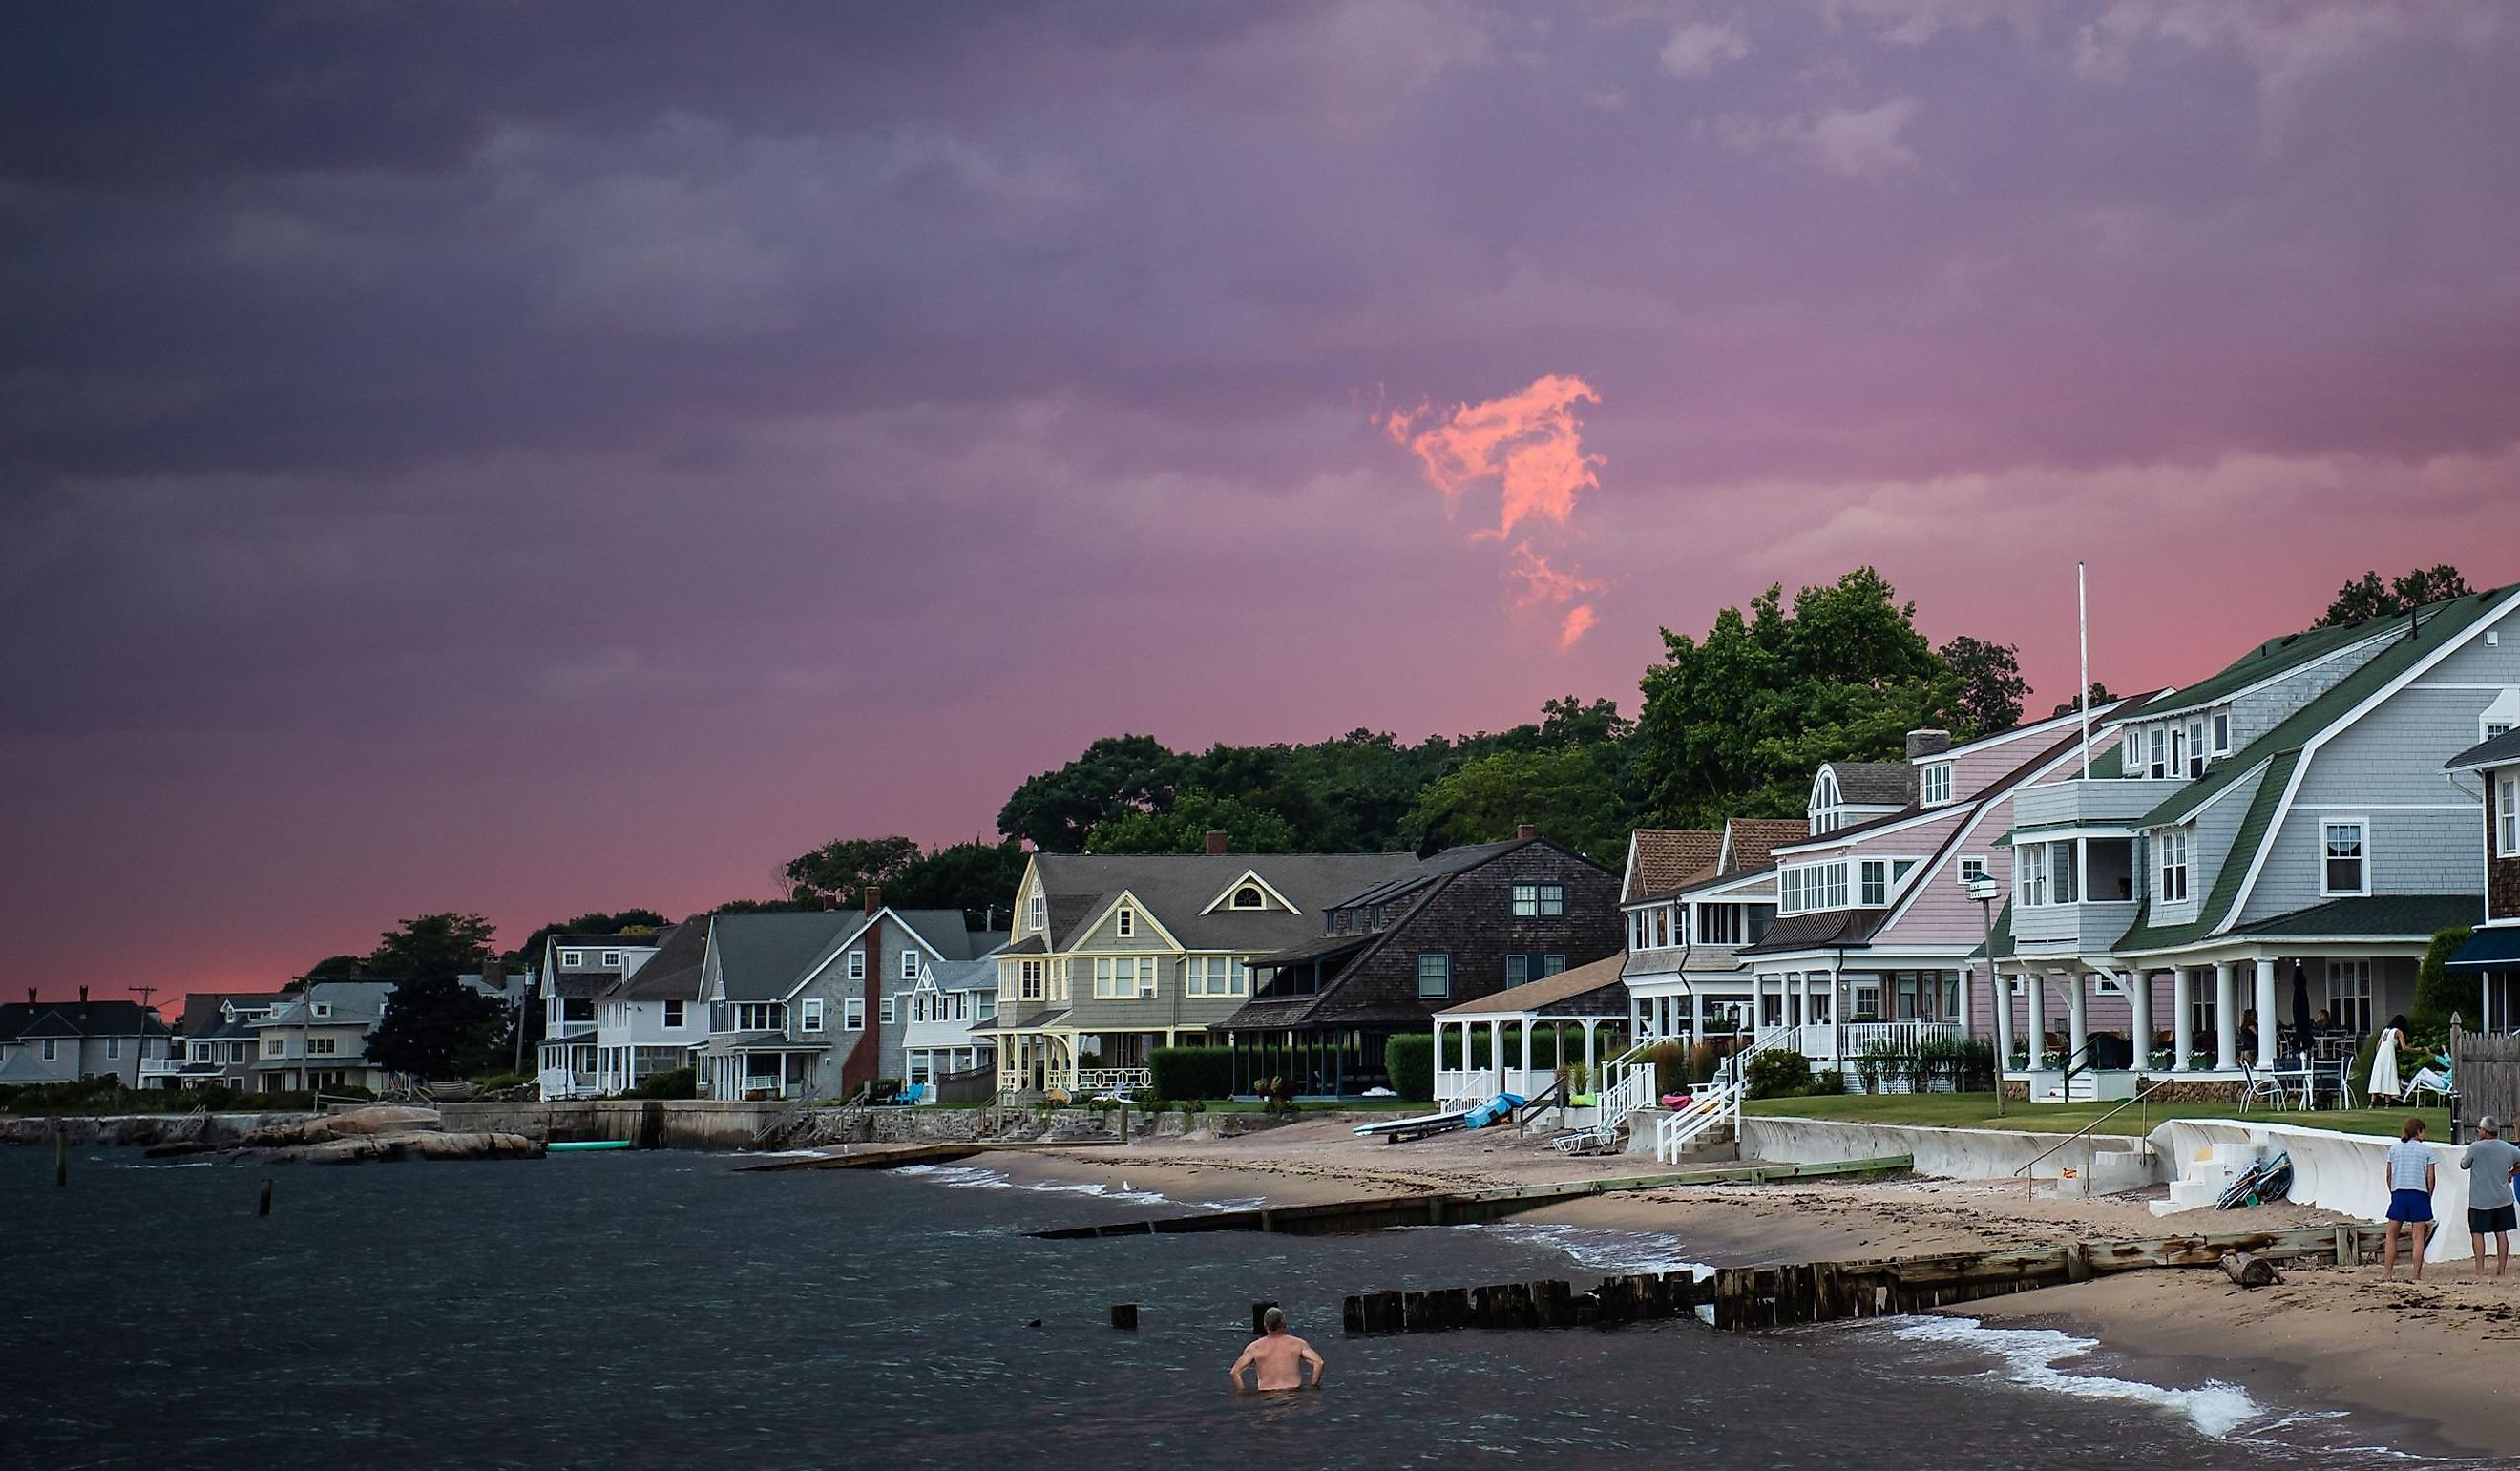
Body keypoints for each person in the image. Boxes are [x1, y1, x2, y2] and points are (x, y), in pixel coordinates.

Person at [2462, 1115, 2520, 1277]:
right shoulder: (2508, 1148)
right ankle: (2501, 1270)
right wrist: (2511, 1173)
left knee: (2477, 1233)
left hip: (2480, 1200)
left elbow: (2464, 1164)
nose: (2478, 1131)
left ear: (2485, 1132)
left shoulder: (2475, 1147)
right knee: (2501, 1233)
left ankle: (2480, 1270)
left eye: (2479, 1129)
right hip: (2502, 1198)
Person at [2384, 1116, 2437, 1281]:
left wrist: (2393, 1191)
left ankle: (2387, 1273)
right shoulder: (2427, 1151)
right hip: (2419, 1193)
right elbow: (2431, 1177)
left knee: (2391, 1235)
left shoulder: (2394, 1149)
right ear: (2418, 1131)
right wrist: (2429, 1195)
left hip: (2399, 1192)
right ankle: (2416, 1274)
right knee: (2418, 1237)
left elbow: (2389, 1174)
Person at [1230, 1307, 1325, 1393]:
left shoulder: (1254, 1347)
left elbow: (1235, 1372)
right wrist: (1313, 1387)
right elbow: (1319, 1363)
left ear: (1265, 1325)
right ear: (1284, 1323)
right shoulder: (1298, 1344)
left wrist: (1241, 1393)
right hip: (1293, 1393)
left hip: (1266, 1395)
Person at [2370, 1015, 2407, 1104]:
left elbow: (2378, 1045)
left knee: (2378, 1077)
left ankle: (2372, 1102)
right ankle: (2387, 1102)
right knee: (2389, 1076)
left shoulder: (2385, 1030)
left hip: (2379, 1056)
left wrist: (2378, 1055)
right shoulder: (2398, 1032)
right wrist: (2416, 1050)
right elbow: (2404, 1047)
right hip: (2389, 1055)